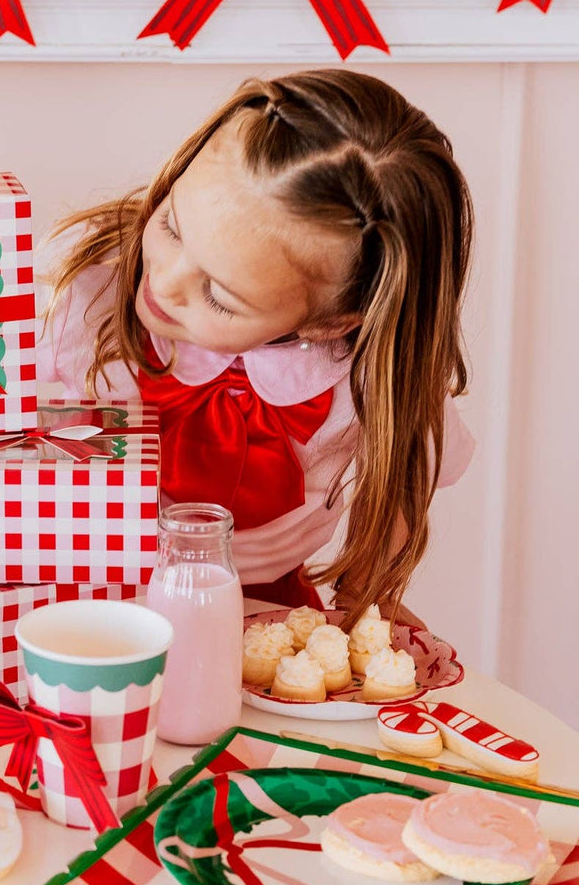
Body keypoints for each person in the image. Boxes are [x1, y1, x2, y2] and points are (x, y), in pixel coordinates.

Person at [39, 69, 475, 624]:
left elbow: (406, 465)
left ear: (332, 322)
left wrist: (368, 598)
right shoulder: (94, 300)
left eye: (219, 295)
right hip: (94, 597)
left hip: (260, 610)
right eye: (172, 225)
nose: (165, 282)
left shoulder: (363, 380)